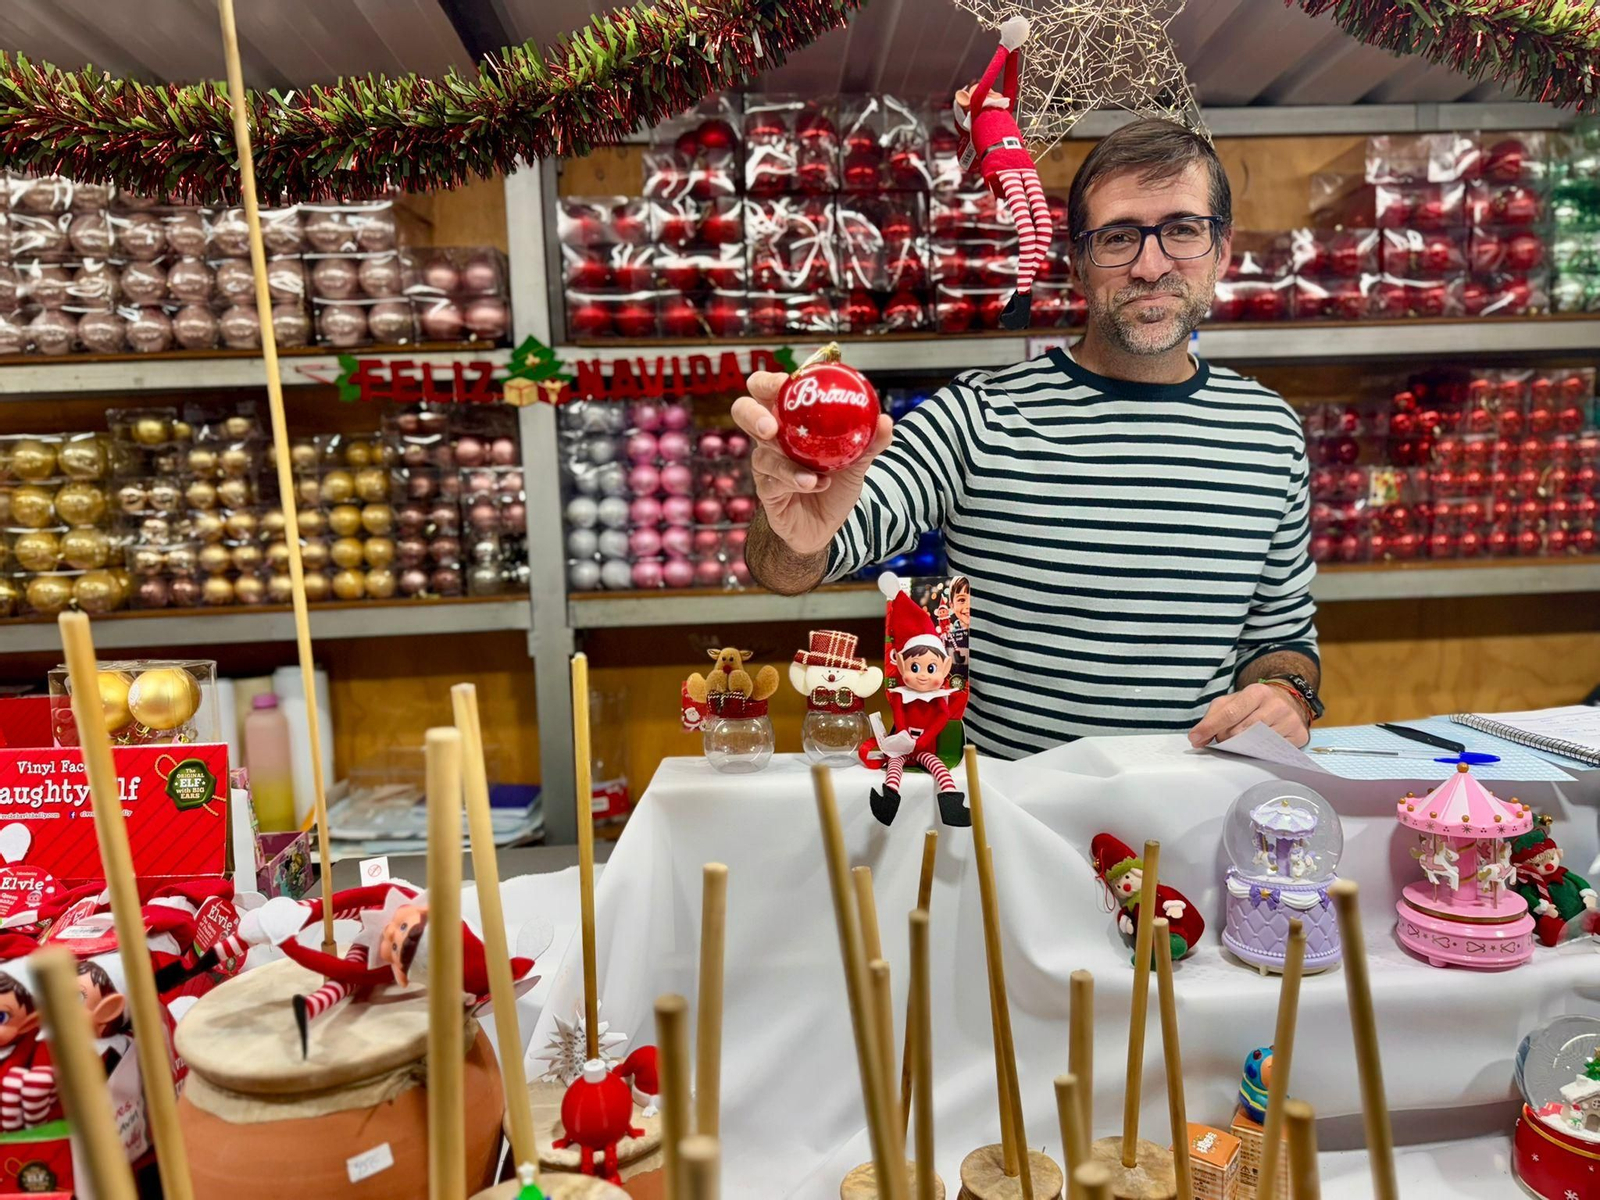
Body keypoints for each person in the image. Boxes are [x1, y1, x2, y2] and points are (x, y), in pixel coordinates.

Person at [735, 118, 1321, 756]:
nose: (1151, 266)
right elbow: (791, 563)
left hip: (1194, 802)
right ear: (1076, 264)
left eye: (1182, 230)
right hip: (1007, 810)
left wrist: (1286, 693)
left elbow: (1282, 636)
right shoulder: (977, 416)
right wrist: (795, 531)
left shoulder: (1270, 431)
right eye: (1118, 237)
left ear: (1222, 249)